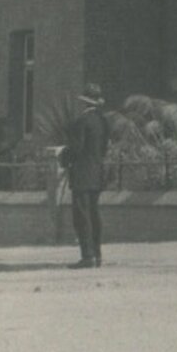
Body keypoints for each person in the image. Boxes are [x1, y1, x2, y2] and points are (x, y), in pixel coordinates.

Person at [62, 83, 113, 268]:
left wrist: (63, 157)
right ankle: (97, 255)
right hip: (97, 173)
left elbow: (76, 148)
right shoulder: (102, 121)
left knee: (81, 216)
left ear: (84, 102)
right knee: (94, 214)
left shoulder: (82, 121)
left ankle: (87, 256)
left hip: (82, 174)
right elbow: (104, 148)